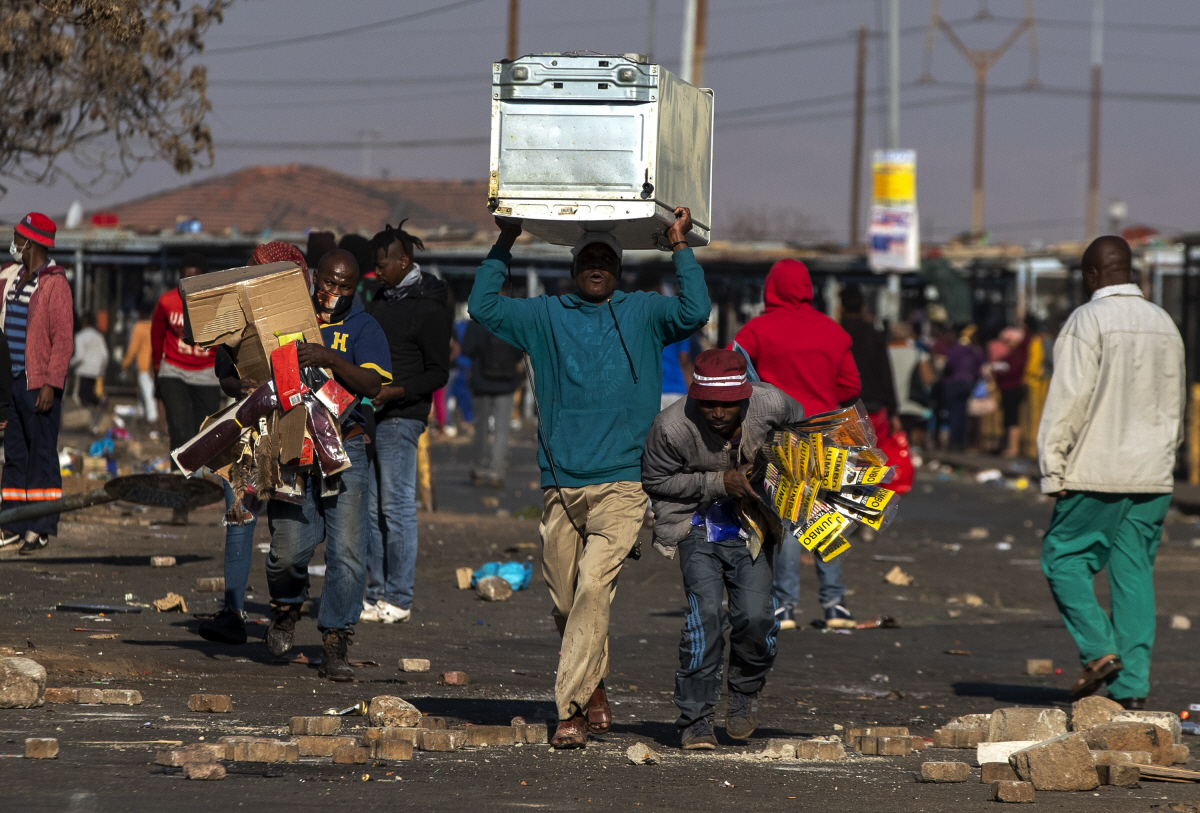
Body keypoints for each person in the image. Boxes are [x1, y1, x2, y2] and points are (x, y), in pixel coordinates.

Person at [469, 209, 709, 749]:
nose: (596, 266)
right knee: (565, 600)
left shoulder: (646, 313)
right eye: (587, 259)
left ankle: (571, 710)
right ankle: (594, 684)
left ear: (620, 269)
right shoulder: (544, 316)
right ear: (574, 266)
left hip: (624, 482)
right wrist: (505, 240)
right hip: (560, 481)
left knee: (594, 587)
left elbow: (697, 309)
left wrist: (679, 247)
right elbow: (481, 306)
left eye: (606, 259)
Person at [1038, 236, 1183, 711]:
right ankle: (1132, 686)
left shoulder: (1087, 321)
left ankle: (1100, 650)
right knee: (1134, 572)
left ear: (1091, 276)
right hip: (1152, 473)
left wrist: (1052, 466)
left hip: (1096, 469)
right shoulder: (1164, 323)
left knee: (1063, 559)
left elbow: (1068, 401)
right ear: (1132, 270)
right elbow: (1175, 406)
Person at [642, 349, 802, 749]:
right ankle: (695, 719)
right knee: (705, 615)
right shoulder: (671, 426)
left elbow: (804, 435)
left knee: (755, 616)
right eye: (708, 404)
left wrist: (779, 467)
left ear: (744, 396)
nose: (717, 413)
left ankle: (744, 693)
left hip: (755, 525)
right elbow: (655, 480)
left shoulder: (772, 404)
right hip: (695, 524)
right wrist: (719, 483)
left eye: (727, 405)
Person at [264, 249, 393, 680]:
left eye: (345, 286)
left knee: (349, 551)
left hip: (346, 447)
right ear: (315, 277)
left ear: (356, 287)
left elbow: (373, 384)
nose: (334, 292)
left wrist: (332, 359)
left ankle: (336, 639)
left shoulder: (364, 326)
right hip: (294, 448)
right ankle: (286, 607)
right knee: (288, 549)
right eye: (328, 282)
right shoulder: (293, 314)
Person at [732, 259, 860, 632]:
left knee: (788, 520)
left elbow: (730, 367)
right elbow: (851, 387)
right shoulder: (833, 332)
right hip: (827, 435)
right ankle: (835, 603)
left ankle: (785, 606)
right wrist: (821, 394)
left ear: (769, 288)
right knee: (824, 517)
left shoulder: (757, 330)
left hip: (781, 436)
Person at [196, 241, 309, 646]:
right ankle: (233, 611)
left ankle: (286, 609)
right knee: (240, 513)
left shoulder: (309, 315)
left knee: (287, 520)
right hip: (251, 425)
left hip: (298, 424)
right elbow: (223, 372)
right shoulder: (237, 317)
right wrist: (237, 384)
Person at [361, 221, 450, 624]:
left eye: (383, 264)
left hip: (402, 417)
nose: (377, 271)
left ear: (404, 261)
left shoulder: (429, 305)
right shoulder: (380, 300)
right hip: (372, 415)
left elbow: (438, 373)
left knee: (396, 509)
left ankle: (399, 596)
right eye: (375, 265)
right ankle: (374, 593)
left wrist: (394, 392)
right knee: (371, 509)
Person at [0, 213, 74, 554]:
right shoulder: (11, 278)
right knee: (14, 454)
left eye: (18, 237)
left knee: (41, 455)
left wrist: (50, 384)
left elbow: (63, 340)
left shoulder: (55, 284)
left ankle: (40, 526)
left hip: (38, 384)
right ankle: (12, 523)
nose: (14, 243)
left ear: (30, 242)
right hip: (11, 382)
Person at [152, 252, 221, 519]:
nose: (189, 283)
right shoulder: (166, 302)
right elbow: (157, 337)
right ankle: (178, 501)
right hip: (174, 372)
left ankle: (194, 490)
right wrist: (156, 372)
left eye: (195, 278)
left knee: (201, 436)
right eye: (185, 277)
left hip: (207, 373)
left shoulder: (216, 304)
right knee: (179, 433)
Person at [462, 317, 523, 489]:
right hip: (507, 382)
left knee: (481, 428)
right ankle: (497, 471)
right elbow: (520, 351)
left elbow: (466, 349)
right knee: (502, 428)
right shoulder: (510, 322)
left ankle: (480, 469)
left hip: (481, 381)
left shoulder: (477, 322)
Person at [839, 284, 897, 437]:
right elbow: (885, 372)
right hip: (873, 403)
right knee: (875, 455)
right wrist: (893, 410)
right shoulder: (874, 334)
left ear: (841, 307)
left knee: (847, 457)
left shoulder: (836, 334)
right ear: (863, 307)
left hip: (845, 404)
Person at [888, 322, 933, 448]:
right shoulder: (918, 353)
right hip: (911, 403)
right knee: (909, 442)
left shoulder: (884, 352)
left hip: (888, 403)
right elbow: (928, 379)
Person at [942, 325, 985, 451]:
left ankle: (954, 442)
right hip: (968, 383)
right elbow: (979, 367)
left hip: (954, 383)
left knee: (954, 413)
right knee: (963, 413)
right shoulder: (975, 351)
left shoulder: (954, 349)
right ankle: (962, 442)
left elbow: (949, 365)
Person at [992, 326, 1029, 458]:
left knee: (1012, 418)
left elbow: (1013, 370)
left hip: (1013, 388)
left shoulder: (1018, 354)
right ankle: (1009, 446)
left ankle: (1013, 448)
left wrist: (999, 369)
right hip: (1008, 388)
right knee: (1009, 418)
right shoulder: (1013, 354)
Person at [71, 312, 109, 430]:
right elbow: (105, 355)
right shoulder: (99, 336)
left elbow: (80, 356)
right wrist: (101, 369)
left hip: (83, 370)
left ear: (83, 322)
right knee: (87, 394)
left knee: (78, 396)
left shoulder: (80, 336)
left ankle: (94, 409)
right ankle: (93, 418)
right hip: (95, 370)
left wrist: (68, 364)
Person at [121, 302, 157, 425]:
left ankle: (152, 419)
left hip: (144, 365)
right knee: (147, 392)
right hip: (156, 364)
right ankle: (143, 414)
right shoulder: (155, 325)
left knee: (147, 393)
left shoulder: (139, 327)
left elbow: (133, 348)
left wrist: (125, 363)